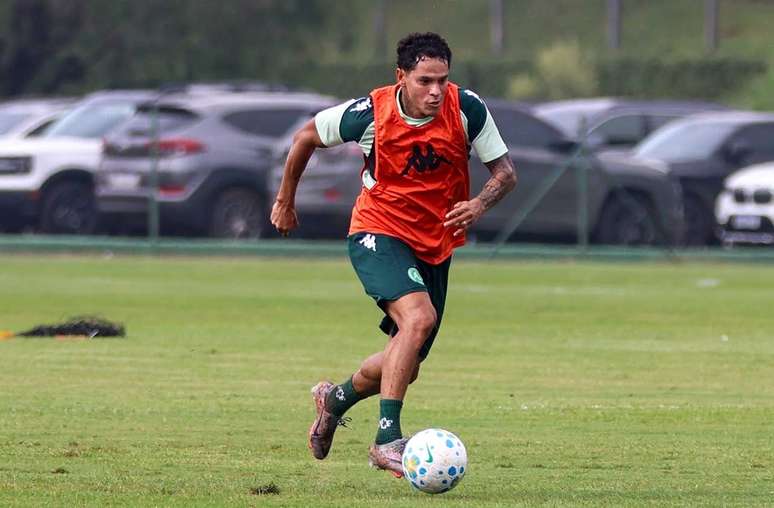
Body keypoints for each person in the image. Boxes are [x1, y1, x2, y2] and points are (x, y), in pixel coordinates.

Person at [271, 32, 516, 478]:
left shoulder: (467, 108)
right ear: (401, 76)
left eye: (442, 80)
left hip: (435, 243)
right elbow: (306, 136)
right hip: (377, 231)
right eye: (425, 81)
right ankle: (387, 441)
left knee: (406, 365)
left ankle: (335, 400)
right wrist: (285, 200)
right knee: (418, 320)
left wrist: (479, 204)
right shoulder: (370, 113)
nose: (435, 91)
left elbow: (505, 173)